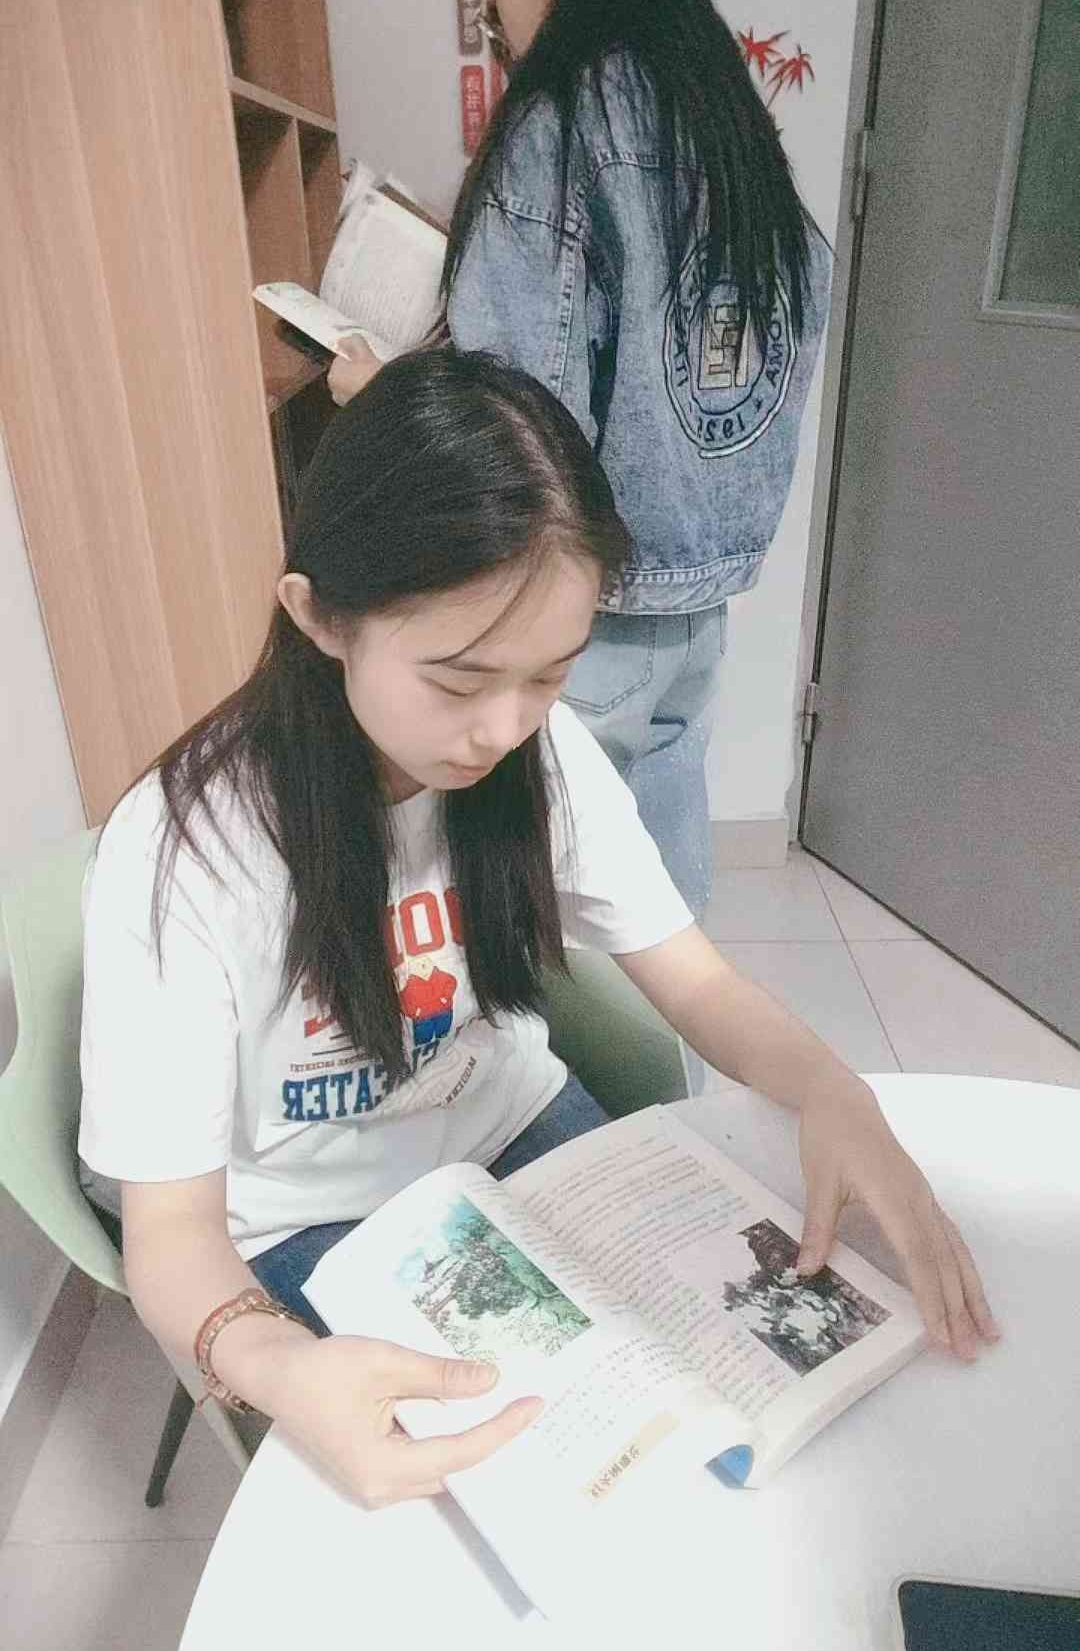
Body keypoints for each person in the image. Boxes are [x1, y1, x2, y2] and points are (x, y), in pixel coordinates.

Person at [79, 353, 995, 1515]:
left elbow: (698, 986)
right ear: (319, 617)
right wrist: (271, 1361)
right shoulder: (187, 851)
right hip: (306, 1215)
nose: (502, 731)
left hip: (508, 1126)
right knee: (538, 1492)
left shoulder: (539, 756)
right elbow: (169, 1229)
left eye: (549, 678)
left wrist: (832, 1090)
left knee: (750, 1393)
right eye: (459, 682)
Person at [330, 0, 831, 916]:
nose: (500, 30)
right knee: (659, 885)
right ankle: (679, 1029)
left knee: (546, 899)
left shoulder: (561, 125)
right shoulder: (723, 113)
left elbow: (520, 429)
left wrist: (381, 390)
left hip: (577, 613)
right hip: (696, 604)